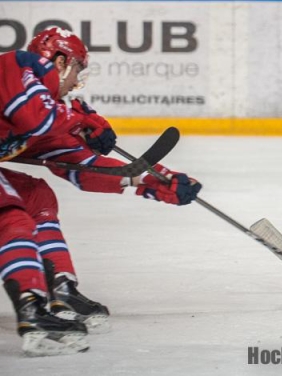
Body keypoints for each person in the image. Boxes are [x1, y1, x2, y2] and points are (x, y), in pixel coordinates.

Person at [0, 27, 202, 356]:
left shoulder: (46, 109)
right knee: (9, 212)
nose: (76, 82)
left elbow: (83, 167)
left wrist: (156, 181)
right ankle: (32, 313)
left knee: (37, 198)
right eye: (77, 70)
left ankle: (61, 289)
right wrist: (78, 121)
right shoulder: (17, 65)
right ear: (60, 60)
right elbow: (33, 118)